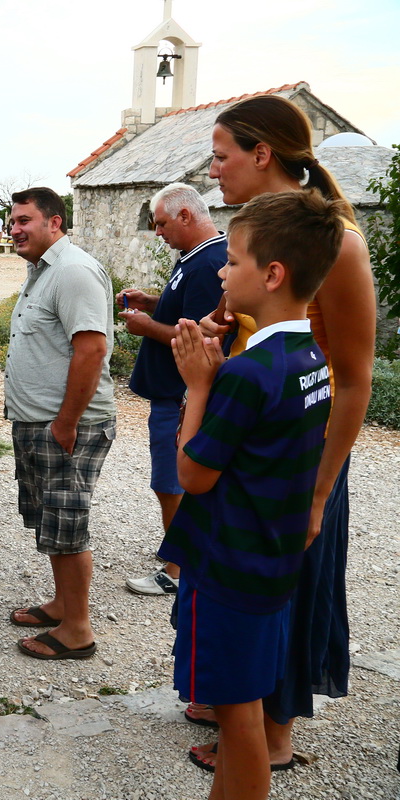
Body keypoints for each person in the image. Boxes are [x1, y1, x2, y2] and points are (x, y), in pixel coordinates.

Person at [189, 94, 376, 772]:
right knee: (242, 574)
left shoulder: (337, 243)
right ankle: (239, 701)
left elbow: (355, 378)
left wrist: (320, 493)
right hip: (253, 440)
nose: (213, 171)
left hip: (301, 456)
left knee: (290, 581)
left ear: (262, 154)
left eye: (221, 156)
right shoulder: (258, 231)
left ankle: (273, 736)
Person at [163, 190, 343, 798]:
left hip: (228, 569)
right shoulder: (308, 356)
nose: (221, 271)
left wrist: (198, 386)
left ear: (272, 275)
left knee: (238, 721)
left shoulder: (245, 374)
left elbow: (193, 475)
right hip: (271, 562)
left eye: (234, 261)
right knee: (243, 709)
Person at [5, 187, 115, 661]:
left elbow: (91, 350)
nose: (15, 229)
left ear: (55, 223)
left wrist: (65, 424)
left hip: (67, 425)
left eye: (24, 220)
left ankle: (78, 631)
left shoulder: (72, 271)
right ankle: (63, 605)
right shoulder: (43, 270)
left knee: (68, 525)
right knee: (53, 520)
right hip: (43, 423)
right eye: (12, 221)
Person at [120, 184, 227, 597]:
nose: (158, 232)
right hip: (174, 393)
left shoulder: (207, 264)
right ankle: (183, 549)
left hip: (179, 396)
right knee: (170, 478)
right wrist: (152, 302)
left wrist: (147, 326)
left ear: (186, 215)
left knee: (170, 480)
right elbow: (187, 313)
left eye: (162, 223)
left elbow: (198, 338)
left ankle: (178, 568)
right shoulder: (196, 257)